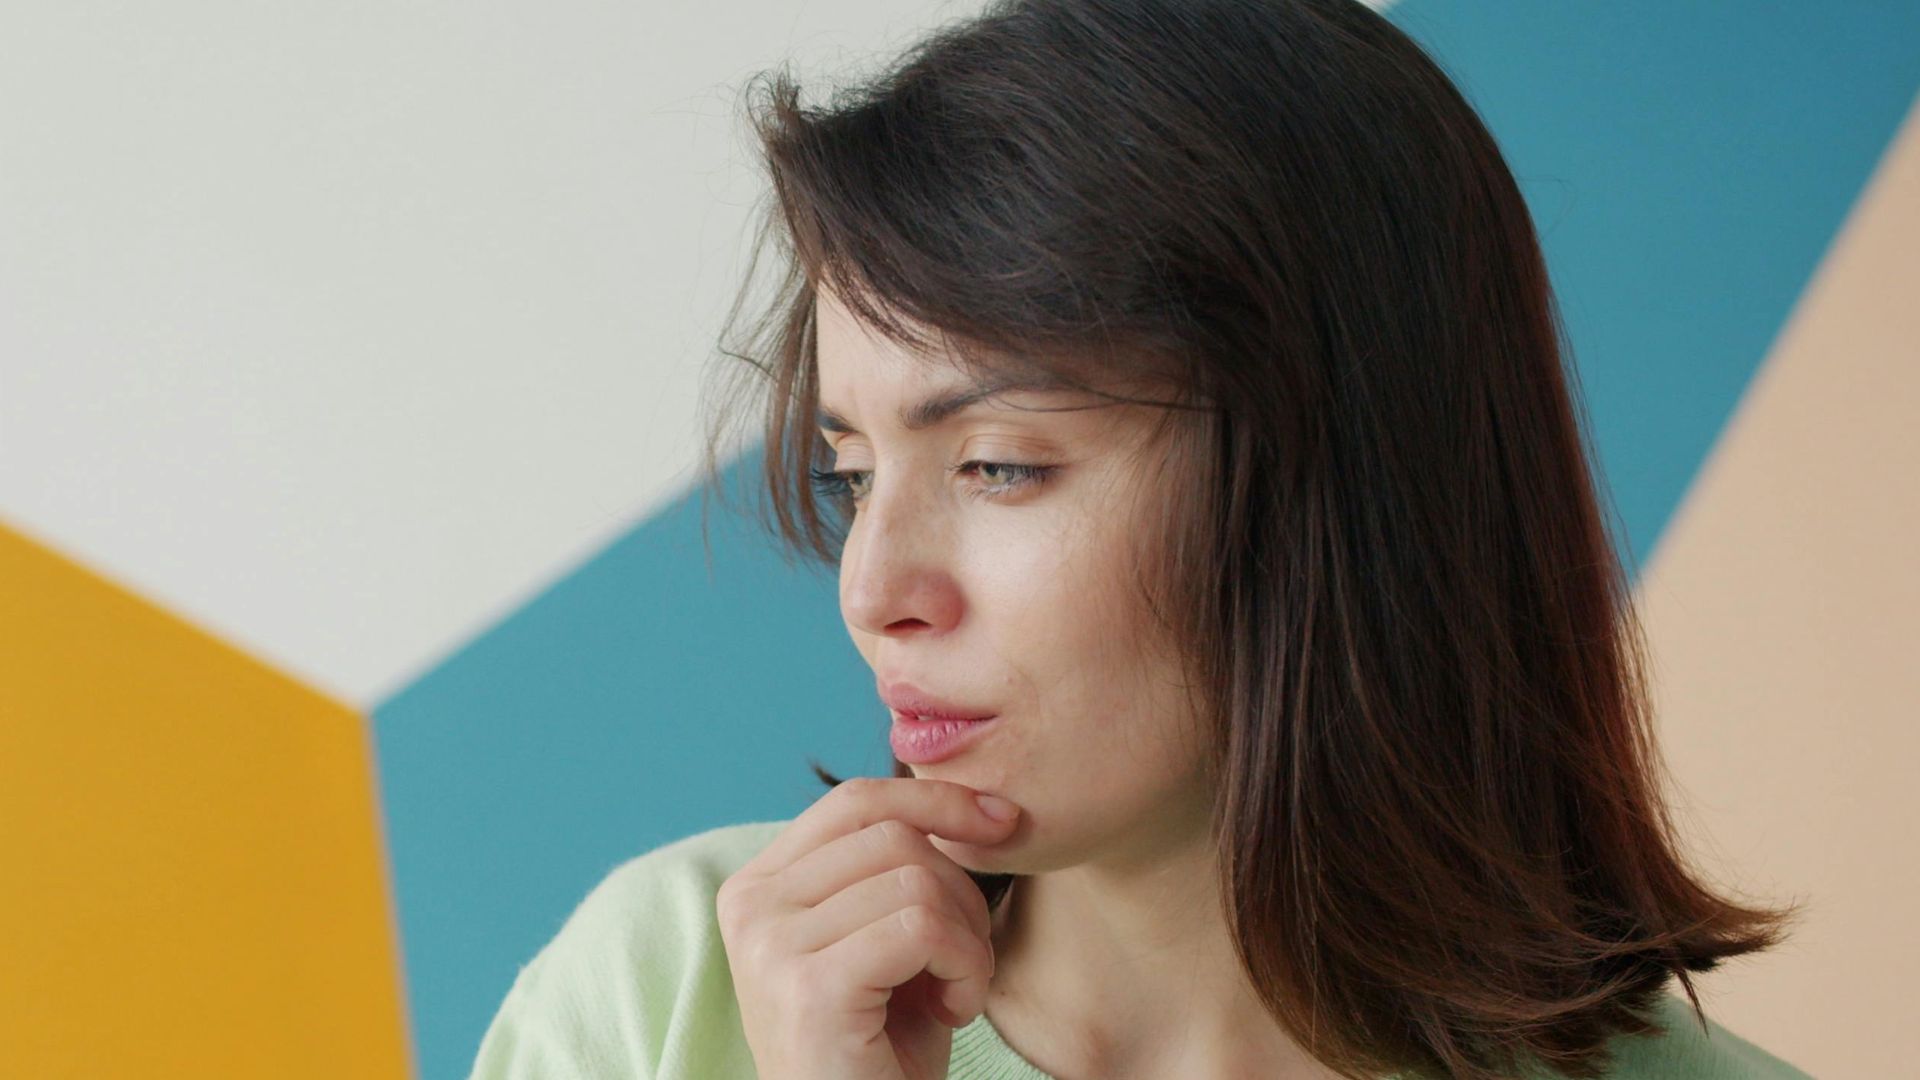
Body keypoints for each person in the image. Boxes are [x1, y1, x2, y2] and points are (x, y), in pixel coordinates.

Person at [470, 0, 1813, 1077]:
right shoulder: (661, 997)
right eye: (852, 478)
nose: (874, 591)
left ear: (1338, 483)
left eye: (998, 465)